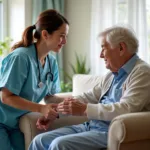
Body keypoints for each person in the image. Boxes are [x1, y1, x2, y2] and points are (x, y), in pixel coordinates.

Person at [29, 25, 150, 150]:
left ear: (121, 48)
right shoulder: (111, 75)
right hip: (91, 126)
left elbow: (126, 109)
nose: (101, 55)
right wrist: (55, 113)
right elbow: (88, 97)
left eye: (104, 48)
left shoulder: (142, 73)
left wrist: (84, 109)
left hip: (109, 131)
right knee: (40, 140)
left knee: (59, 144)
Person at [0, 9, 69, 150]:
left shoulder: (51, 63)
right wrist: (41, 108)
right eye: (61, 36)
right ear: (45, 34)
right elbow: (6, 97)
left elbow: (49, 97)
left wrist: (70, 104)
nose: (65, 41)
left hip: (15, 123)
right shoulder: (20, 57)